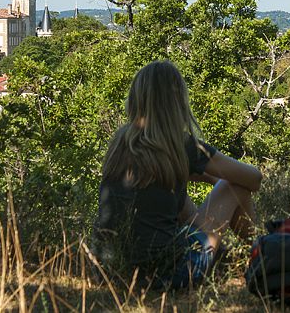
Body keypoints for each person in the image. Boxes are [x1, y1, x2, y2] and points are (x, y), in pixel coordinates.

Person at [92, 60, 262, 289]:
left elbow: (172, 205)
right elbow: (253, 178)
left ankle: (232, 258)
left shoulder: (121, 143)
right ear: (177, 101)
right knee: (234, 187)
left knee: (175, 200)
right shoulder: (182, 146)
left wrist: (192, 173)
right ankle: (263, 257)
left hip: (110, 272)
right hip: (169, 274)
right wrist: (213, 178)